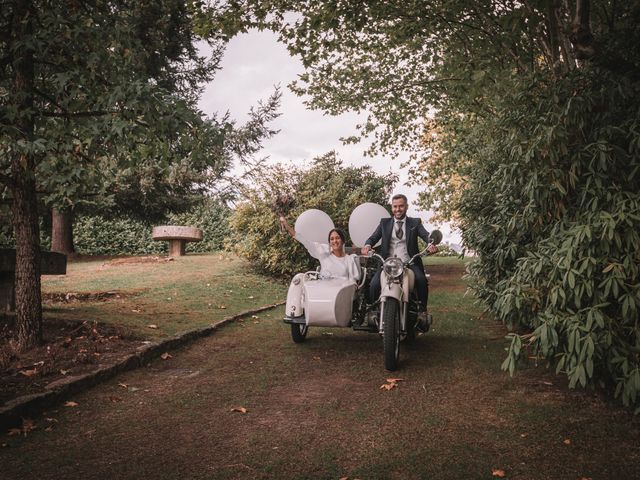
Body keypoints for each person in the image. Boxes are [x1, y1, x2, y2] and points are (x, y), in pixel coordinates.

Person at [361, 194, 438, 329]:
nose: (398, 209)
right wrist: (368, 245)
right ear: (392, 208)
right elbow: (373, 237)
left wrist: (431, 243)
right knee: (373, 284)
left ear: (406, 207)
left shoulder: (415, 223)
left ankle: (422, 311)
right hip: (388, 264)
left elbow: (426, 235)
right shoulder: (384, 223)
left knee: (421, 280)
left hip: (410, 262)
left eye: (401, 206)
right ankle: (374, 313)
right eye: (395, 206)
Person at [279, 216, 361, 281]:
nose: (335, 241)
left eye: (337, 238)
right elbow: (305, 241)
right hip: (321, 291)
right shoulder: (324, 252)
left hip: (339, 296)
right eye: (332, 239)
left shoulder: (349, 260)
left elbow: (352, 283)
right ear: (329, 243)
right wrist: (288, 227)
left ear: (343, 241)